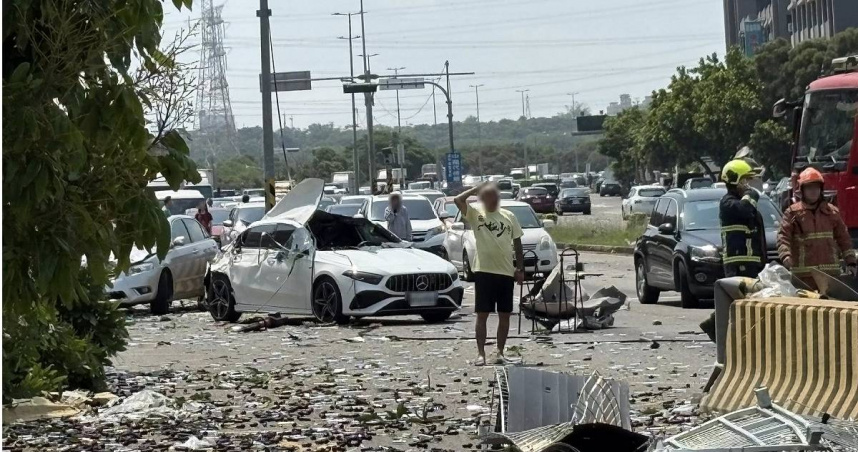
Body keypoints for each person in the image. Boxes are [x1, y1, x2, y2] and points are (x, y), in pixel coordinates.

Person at [454, 182, 524, 366]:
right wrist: (475, 190)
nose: (494, 200)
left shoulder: (509, 216)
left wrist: (520, 269)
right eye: (489, 197)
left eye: (496, 196)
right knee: (482, 314)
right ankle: (481, 354)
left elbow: (517, 244)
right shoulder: (476, 215)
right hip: (484, 272)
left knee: (504, 314)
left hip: (506, 272)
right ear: (483, 199)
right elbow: (458, 200)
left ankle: (500, 351)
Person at [777, 168, 856, 289]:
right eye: (809, 188)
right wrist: (785, 255)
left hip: (830, 276)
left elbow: (844, 238)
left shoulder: (832, 212)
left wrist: (851, 262)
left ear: (821, 190)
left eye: (816, 188)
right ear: (802, 190)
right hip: (804, 278)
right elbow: (783, 236)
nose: (813, 191)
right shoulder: (793, 213)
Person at [719, 159, 767, 278]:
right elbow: (745, 209)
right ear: (737, 181)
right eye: (745, 180)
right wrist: (751, 193)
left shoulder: (741, 201)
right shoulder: (727, 202)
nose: (748, 184)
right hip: (737, 265)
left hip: (751, 264)